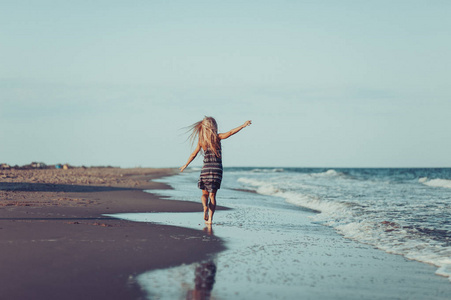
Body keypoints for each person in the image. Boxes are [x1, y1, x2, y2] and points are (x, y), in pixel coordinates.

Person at [180, 117, 252, 224]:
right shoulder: (218, 137)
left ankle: (204, 207)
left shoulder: (202, 141)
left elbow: (193, 154)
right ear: (214, 126)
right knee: (212, 196)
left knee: (204, 194)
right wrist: (243, 125)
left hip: (206, 170)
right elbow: (231, 132)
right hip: (217, 170)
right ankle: (210, 220)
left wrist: (186, 164)